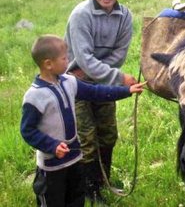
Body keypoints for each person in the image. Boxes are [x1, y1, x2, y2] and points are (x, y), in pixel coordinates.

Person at [20, 35, 145, 207]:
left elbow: (96, 92)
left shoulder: (70, 82)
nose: (69, 61)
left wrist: (126, 90)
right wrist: (52, 146)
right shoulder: (34, 96)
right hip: (52, 167)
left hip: (74, 159)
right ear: (48, 64)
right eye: (64, 58)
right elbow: (28, 130)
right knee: (53, 201)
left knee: (76, 199)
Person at [64, 0, 138, 202]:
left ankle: (103, 178)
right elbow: (83, 59)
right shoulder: (81, 15)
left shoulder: (125, 16)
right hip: (76, 83)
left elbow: (120, 55)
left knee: (108, 135)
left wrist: (101, 73)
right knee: (86, 138)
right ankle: (90, 188)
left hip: (100, 81)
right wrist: (118, 78)